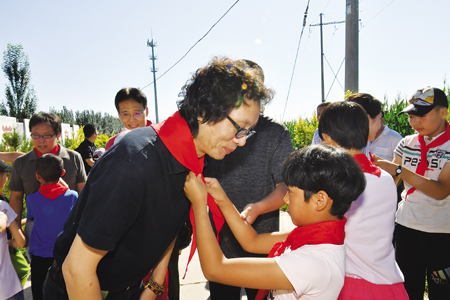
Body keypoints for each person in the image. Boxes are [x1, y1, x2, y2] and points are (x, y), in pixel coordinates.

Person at [42, 57, 274, 300]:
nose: (242, 140)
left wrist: (156, 281)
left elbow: (168, 222)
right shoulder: (133, 164)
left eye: (249, 131)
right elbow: (77, 269)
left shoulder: (191, 158)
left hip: (133, 288)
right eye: (239, 128)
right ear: (203, 112)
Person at [184, 144, 366, 300]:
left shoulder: (312, 263)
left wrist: (200, 205)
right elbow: (252, 241)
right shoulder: (315, 238)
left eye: (291, 192)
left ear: (320, 200)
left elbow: (215, 269)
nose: (285, 199)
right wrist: (221, 198)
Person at [203, 59, 294, 300]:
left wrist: (258, 208)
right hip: (220, 240)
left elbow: (284, 187)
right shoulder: (215, 127)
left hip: (262, 242)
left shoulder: (276, 133)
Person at [318, 101, 408, 299]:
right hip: (389, 285)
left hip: (348, 286)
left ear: (327, 138)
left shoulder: (333, 183)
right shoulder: (385, 179)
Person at [372, 87, 450, 300]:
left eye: (421, 115)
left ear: (443, 113)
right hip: (406, 228)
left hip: (442, 233)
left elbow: (441, 190)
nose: (415, 121)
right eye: (411, 116)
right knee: (407, 291)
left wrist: (399, 170)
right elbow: (392, 183)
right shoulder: (406, 144)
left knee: (441, 292)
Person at [8, 113, 86, 223]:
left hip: (68, 227)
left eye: (46, 135)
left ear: (58, 135)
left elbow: (83, 193)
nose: (41, 140)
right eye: (35, 135)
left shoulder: (73, 158)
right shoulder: (21, 162)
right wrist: (17, 231)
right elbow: (16, 198)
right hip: (36, 228)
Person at [26, 154, 78, 300]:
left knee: (39, 294)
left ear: (38, 176)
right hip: (64, 256)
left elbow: (30, 223)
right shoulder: (73, 196)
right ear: (63, 174)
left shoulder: (31, 199)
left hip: (39, 258)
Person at [0, 161, 26, 300]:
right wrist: (8, 243)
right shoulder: (2, 205)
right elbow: (20, 241)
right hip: (8, 287)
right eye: (5, 175)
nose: (7, 178)